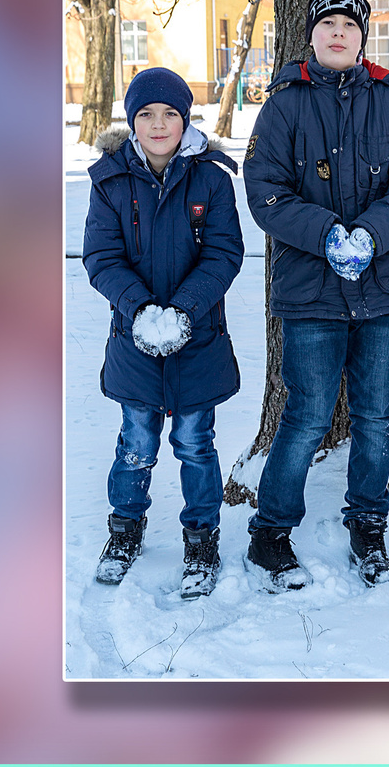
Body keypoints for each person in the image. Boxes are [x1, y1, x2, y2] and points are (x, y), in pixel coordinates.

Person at [239, 0, 389, 592]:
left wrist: (370, 236)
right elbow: (265, 189)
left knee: (376, 415)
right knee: (305, 415)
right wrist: (328, 233)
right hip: (311, 291)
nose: (337, 33)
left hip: (384, 290)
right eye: (326, 23)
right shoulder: (284, 106)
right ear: (310, 36)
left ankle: (368, 527)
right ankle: (270, 532)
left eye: (348, 26)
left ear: (362, 37)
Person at [82, 66, 244, 599]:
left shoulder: (212, 179)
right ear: (132, 122)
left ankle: (202, 536)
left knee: (196, 443)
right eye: (146, 115)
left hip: (197, 338)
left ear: (184, 120)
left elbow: (224, 253)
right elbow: (101, 257)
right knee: (136, 441)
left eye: (169, 114)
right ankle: (125, 528)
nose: (158, 124)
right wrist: (141, 311)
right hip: (133, 340)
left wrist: (181, 312)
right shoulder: (110, 180)